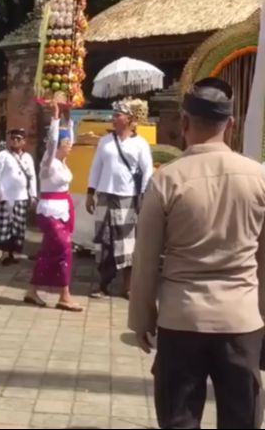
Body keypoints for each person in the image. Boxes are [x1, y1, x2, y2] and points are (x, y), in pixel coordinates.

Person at [129, 77, 265, 430]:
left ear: (184, 123)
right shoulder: (259, 179)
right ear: (230, 125)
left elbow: (145, 260)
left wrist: (142, 318)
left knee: (179, 420)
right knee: (241, 421)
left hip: (181, 319)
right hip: (241, 320)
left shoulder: (167, 180)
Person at [86, 100, 153, 299]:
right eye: (113, 115)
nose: (113, 119)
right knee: (104, 241)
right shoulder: (104, 141)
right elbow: (96, 167)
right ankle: (103, 285)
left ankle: (127, 287)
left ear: (129, 119)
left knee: (127, 243)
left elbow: (147, 170)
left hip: (128, 197)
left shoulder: (140, 143)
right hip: (105, 195)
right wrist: (90, 193)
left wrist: (143, 195)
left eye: (118, 115)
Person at [24, 101, 82, 311]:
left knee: (49, 252)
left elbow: (69, 138)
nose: (70, 147)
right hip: (49, 211)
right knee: (64, 249)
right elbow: (51, 143)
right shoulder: (48, 163)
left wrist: (68, 117)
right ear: (58, 146)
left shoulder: (63, 163)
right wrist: (55, 118)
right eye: (66, 145)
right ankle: (64, 295)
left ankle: (32, 290)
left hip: (63, 210)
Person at [0, 128, 37, 265]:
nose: (15, 141)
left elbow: (32, 177)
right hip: (5, 195)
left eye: (18, 138)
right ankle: (5, 253)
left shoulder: (28, 158)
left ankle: (15, 252)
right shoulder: (2, 155)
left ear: (24, 141)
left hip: (21, 196)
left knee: (19, 225)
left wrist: (33, 195)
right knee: (4, 225)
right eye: (13, 138)